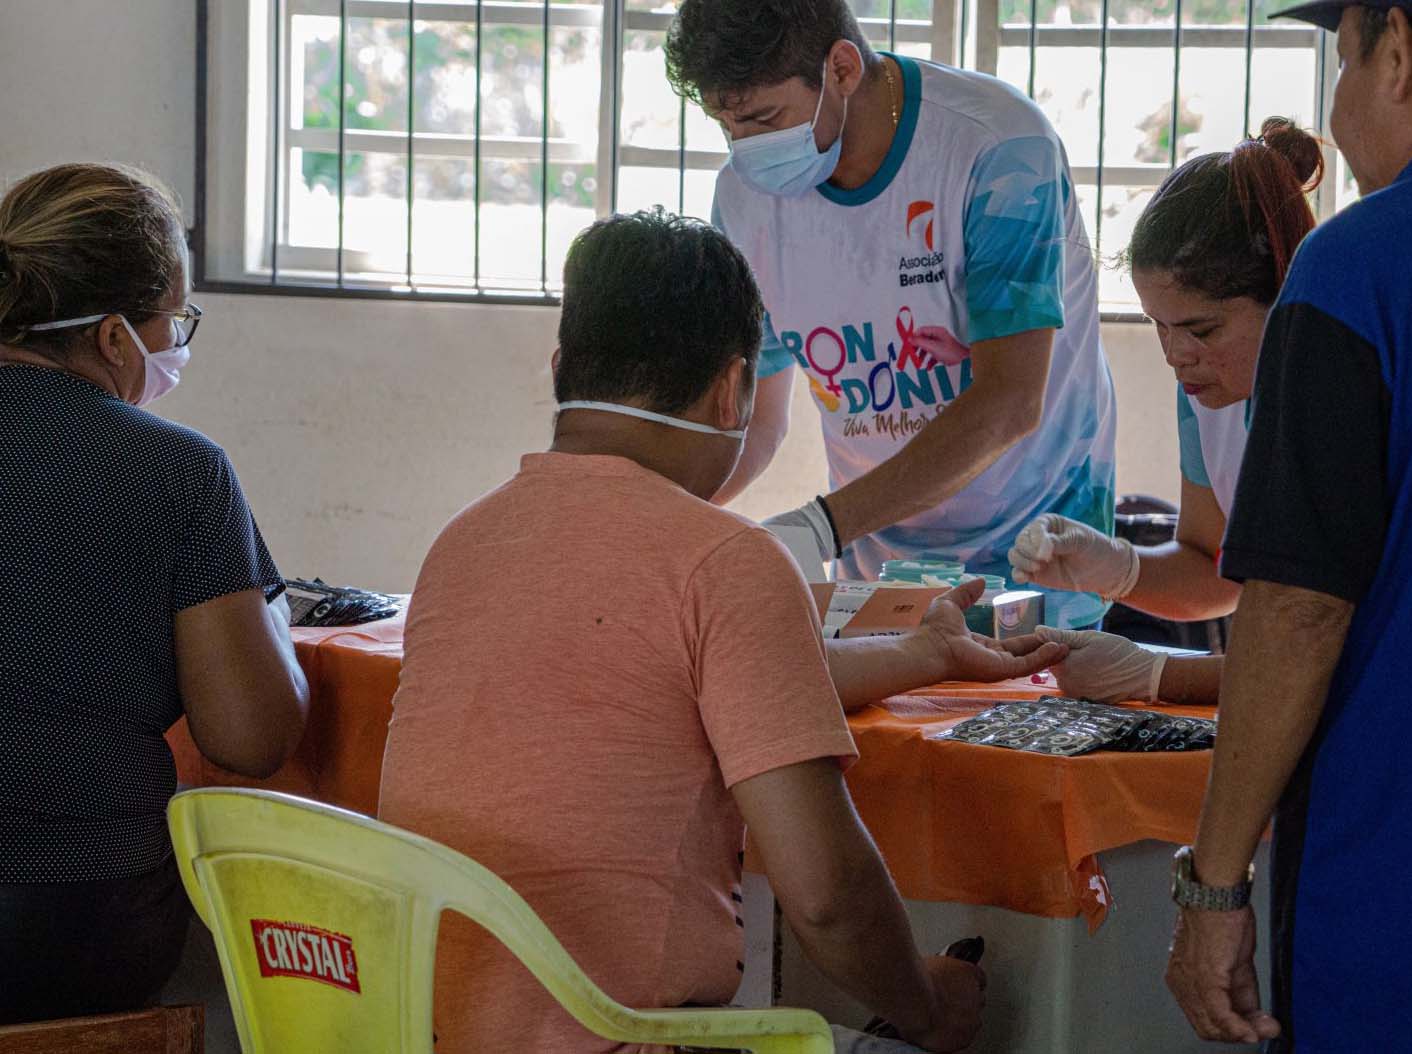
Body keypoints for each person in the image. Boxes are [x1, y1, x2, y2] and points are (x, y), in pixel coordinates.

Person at [376, 209, 1067, 1054]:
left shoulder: (463, 543)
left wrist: (920, 654)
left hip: (418, 1031)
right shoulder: (723, 558)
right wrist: (927, 1005)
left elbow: (680, 684)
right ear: (733, 389)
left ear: (561, 370)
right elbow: (827, 898)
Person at [1158, 3, 1412, 1051]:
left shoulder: (1361, 266)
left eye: (1338, 57)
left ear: (1395, 49)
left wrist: (1215, 886)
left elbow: (1296, 612)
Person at [665, 0, 1118, 629]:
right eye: (726, 124)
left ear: (842, 69)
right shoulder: (746, 198)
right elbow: (756, 420)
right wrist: (661, 520)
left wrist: (822, 525)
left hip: (1037, 565)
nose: (746, 147)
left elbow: (1011, 401)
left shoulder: (998, 148)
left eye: (765, 119)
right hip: (877, 573)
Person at [0, 163, 309, 1024]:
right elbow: (250, 738)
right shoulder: (178, 472)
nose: (175, 345)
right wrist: (270, 615)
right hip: (67, 917)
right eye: (175, 320)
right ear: (112, 337)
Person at [1012, 119, 1324, 707]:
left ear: (1285, 294)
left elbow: (1321, 648)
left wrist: (1157, 677)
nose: (1175, 355)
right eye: (1158, 325)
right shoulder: (1207, 395)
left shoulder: (1339, 407)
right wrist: (1116, 569)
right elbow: (1213, 569)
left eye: (1201, 329)